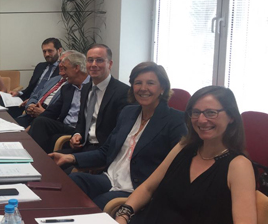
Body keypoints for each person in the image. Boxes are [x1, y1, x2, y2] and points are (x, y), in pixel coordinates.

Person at [114, 86, 257, 224]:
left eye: (211, 113)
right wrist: (123, 213)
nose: (201, 120)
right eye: (195, 113)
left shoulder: (238, 165)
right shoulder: (184, 147)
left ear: (231, 116)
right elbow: (148, 187)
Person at [51, 62, 187, 209]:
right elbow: (106, 151)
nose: (143, 88)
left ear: (162, 88)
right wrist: (70, 157)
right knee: (73, 181)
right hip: (109, 179)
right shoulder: (128, 112)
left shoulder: (175, 120)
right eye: (138, 83)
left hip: (135, 188)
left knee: (97, 204)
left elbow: (178, 167)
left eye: (150, 83)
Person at [66, 44, 130, 154]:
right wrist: (77, 134)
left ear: (110, 64)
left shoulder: (123, 92)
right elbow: (81, 121)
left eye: (99, 60)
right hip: (83, 146)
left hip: (103, 151)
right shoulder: (86, 88)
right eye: (90, 60)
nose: (93, 65)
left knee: (61, 164)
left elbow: (120, 131)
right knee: (49, 160)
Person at [28, 51, 90, 153]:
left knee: (51, 138)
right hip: (65, 126)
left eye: (65, 69)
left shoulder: (92, 87)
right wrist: (30, 126)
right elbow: (52, 111)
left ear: (76, 68)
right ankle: (33, 156)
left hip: (79, 130)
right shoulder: (67, 88)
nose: (63, 73)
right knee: (40, 122)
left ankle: (37, 157)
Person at [7, 38, 62, 118]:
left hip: (40, 104)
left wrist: (32, 101)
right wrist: (19, 93)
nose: (46, 54)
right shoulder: (40, 66)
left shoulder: (62, 70)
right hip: (27, 100)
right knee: (3, 102)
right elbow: (30, 88)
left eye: (50, 51)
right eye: (44, 51)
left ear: (59, 50)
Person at [16, 51, 70, 128]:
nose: (60, 64)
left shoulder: (71, 86)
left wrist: (44, 113)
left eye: (63, 62)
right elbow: (36, 95)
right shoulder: (54, 79)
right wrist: (30, 105)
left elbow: (61, 113)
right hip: (32, 113)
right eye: (60, 61)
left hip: (47, 119)